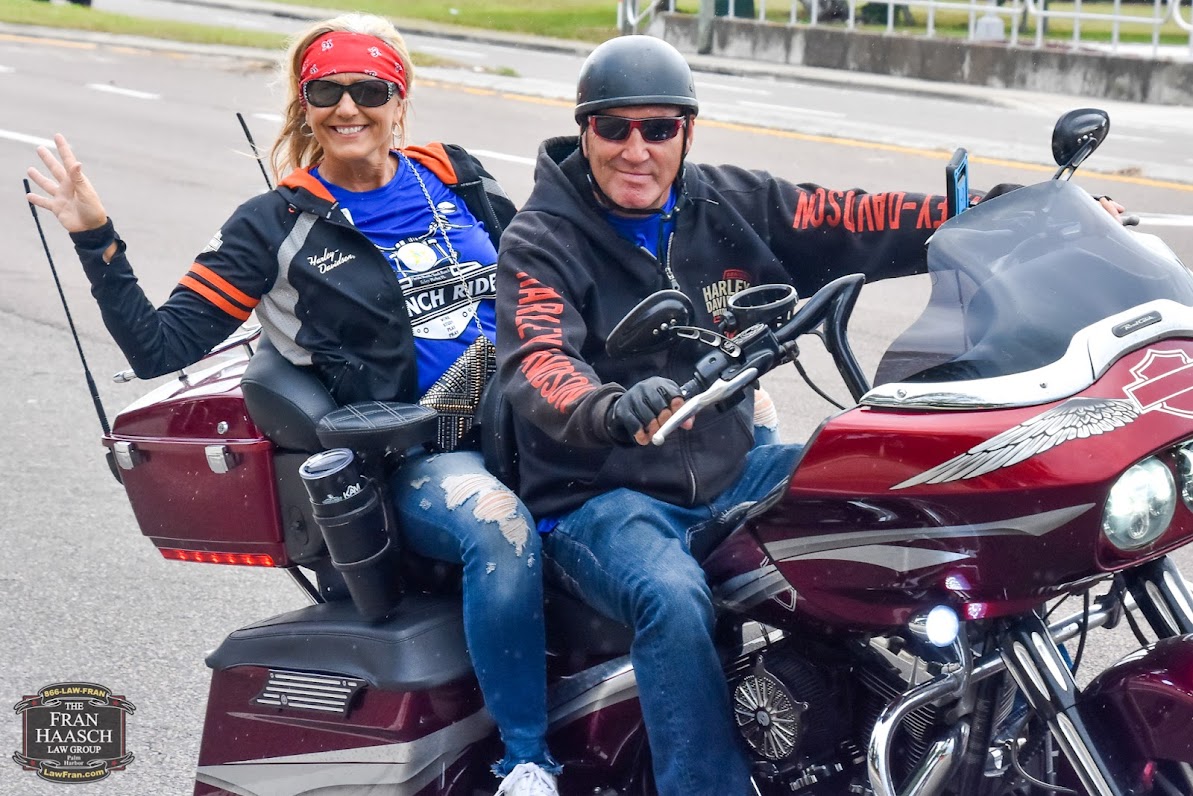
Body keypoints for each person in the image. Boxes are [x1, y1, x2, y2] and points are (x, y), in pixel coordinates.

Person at [493, 35, 1132, 795]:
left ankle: (940, 720)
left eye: (658, 128)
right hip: (599, 498)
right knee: (670, 597)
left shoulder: (728, 203)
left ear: (686, 132)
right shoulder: (543, 238)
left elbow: (854, 216)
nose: (636, 149)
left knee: (907, 488)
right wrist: (607, 407)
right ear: (585, 130)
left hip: (729, 471)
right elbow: (537, 361)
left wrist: (1007, 214)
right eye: (614, 127)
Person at [27, 13, 558, 796]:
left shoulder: (454, 175)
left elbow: (542, 276)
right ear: (304, 104)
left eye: (367, 89)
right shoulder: (276, 223)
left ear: (399, 97)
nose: (347, 108)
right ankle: (526, 761)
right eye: (325, 91)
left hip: (533, 416)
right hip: (424, 457)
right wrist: (95, 237)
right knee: (499, 529)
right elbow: (161, 348)